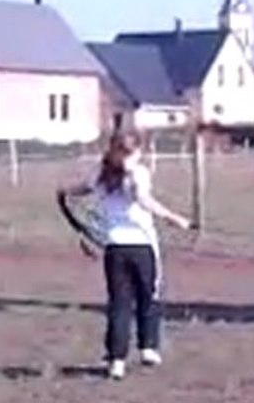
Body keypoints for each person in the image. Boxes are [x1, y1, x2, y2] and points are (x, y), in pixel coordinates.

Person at [57, 131, 192, 379]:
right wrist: (174, 218)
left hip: (115, 248)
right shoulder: (137, 173)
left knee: (119, 303)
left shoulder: (101, 172)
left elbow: (84, 188)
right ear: (135, 151)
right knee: (148, 295)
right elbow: (143, 199)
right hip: (141, 245)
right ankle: (147, 347)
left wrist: (65, 191)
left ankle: (117, 360)